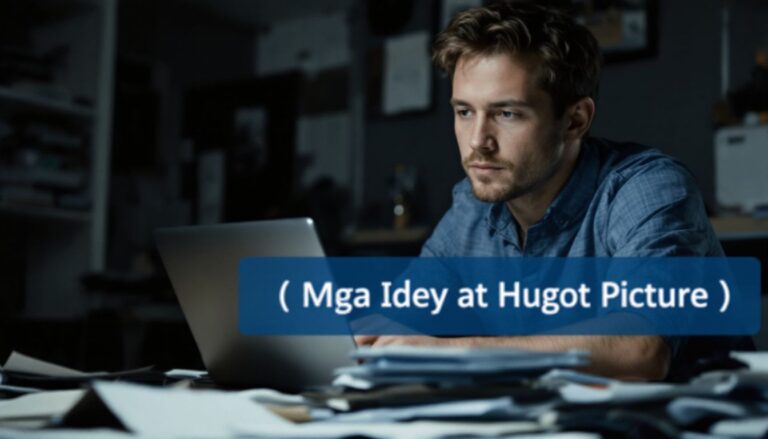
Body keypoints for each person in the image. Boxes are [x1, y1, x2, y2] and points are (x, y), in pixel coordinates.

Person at [355, 1, 753, 381]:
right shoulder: (471, 207)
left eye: (507, 113)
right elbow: (403, 315)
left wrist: (456, 351)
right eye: (464, 112)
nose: (478, 141)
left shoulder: (648, 189)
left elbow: (642, 348)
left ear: (575, 120)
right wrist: (359, 338)